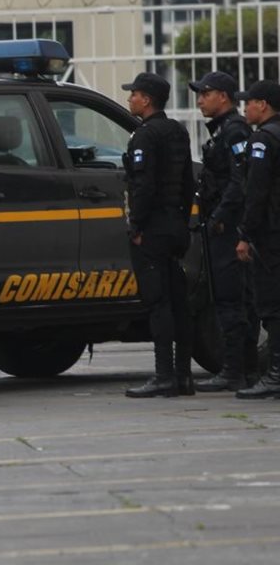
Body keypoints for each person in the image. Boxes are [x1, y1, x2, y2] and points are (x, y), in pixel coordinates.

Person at [121, 72, 197, 398]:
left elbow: (144, 186)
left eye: (134, 94)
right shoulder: (178, 132)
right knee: (180, 302)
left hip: (152, 229)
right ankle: (183, 376)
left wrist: (136, 226)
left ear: (147, 99)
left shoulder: (144, 136)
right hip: (175, 227)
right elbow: (188, 184)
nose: (130, 100)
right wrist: (180, 222)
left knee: (158, 302)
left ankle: (163, 375)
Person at [189, 72, 254, 392]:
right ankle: (241, 368)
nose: (200, 99)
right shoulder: (223, 131)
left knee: (231, 300)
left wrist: (220, 216)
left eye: (206, 93)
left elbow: (239, 181)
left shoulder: (234, 131)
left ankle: (235, 370)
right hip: (221, 225)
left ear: (224, 97)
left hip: (228, 227)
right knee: (229, 298)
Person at [233, 80, 280, 399]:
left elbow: (256, 192)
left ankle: (275, 375)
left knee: (271, 306)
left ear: (263, 105)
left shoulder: (263, 140)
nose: (244, 108)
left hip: (271, 234)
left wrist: (245, 234)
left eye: (248, 102)